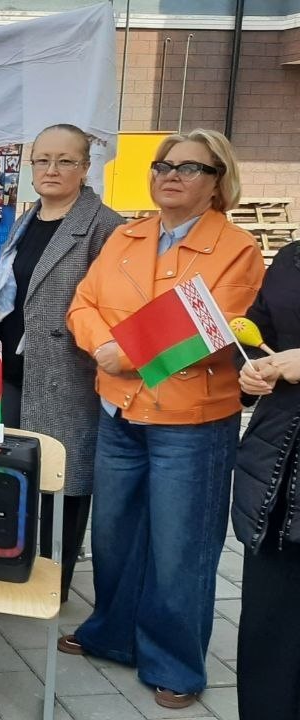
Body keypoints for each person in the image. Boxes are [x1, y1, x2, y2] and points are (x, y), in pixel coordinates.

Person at [61, 129, 265, 710]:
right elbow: (83, 304)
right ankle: (113, 633)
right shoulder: (126, 236)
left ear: (217, 182)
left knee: (181, 547)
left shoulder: (237, 248)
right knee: (115, 535)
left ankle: (174, 663)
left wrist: (119, 352)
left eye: (189, 167)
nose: (171, 175)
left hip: (190, 422)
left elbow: (208, 326)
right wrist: (103, 346)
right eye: (162, 165)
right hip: (118, 411)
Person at [0, 124, 125, 602]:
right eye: (42, 160)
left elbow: (113, 307)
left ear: (85, 168)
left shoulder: (105, 227)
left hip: (66, 373)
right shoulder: (27, 219)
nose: (51, 169)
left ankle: (53, 584)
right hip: (12, 370)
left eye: (65, 160)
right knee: (14, 472)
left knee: (65, 480)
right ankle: (13, 562)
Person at [235, 240, 300, 720]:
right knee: (268, 633)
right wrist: (250, 373)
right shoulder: (291, 259)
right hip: (274, 476)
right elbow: (260, 331)